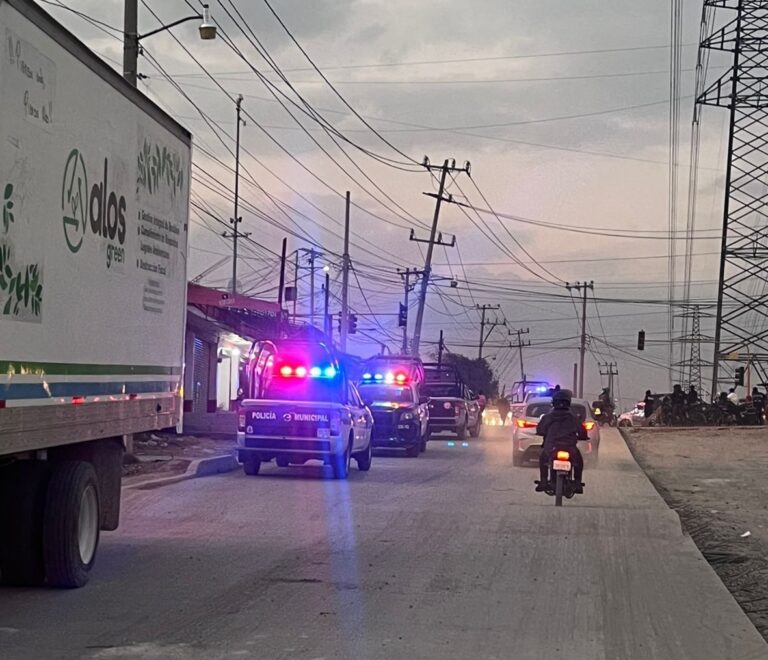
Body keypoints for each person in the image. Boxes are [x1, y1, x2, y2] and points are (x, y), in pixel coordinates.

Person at [535, 389, 587, 494]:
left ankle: (544, 481)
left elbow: (540, 430)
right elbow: (582, 431)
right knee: (578, 462)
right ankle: (577, 483)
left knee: (543, 459)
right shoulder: (573, 418)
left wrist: (544, 434)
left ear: (554, 403)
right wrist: (583, 437)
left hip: (551, 447)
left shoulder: (548, 417)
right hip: (570, 448)